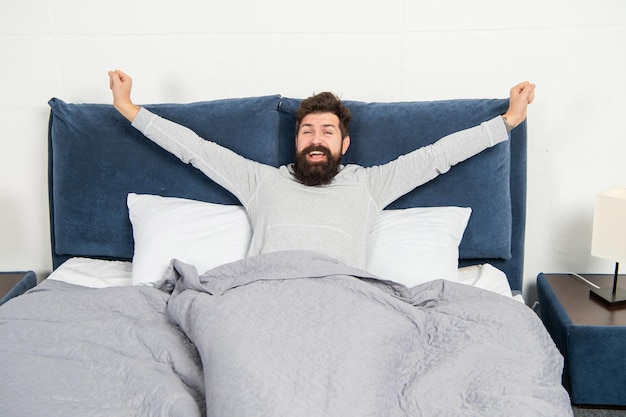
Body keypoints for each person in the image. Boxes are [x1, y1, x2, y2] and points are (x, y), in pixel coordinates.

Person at [108, 70, 535, 269]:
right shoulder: (261, 181)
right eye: (307, 130)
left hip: (342, 295)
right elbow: (194, 150)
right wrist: (130, 109)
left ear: (343, 145)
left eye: (326, 131)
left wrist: (509, 121)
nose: (315, 138)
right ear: (296, 142)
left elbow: (438, 156)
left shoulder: (369, 184)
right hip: (260, 293)